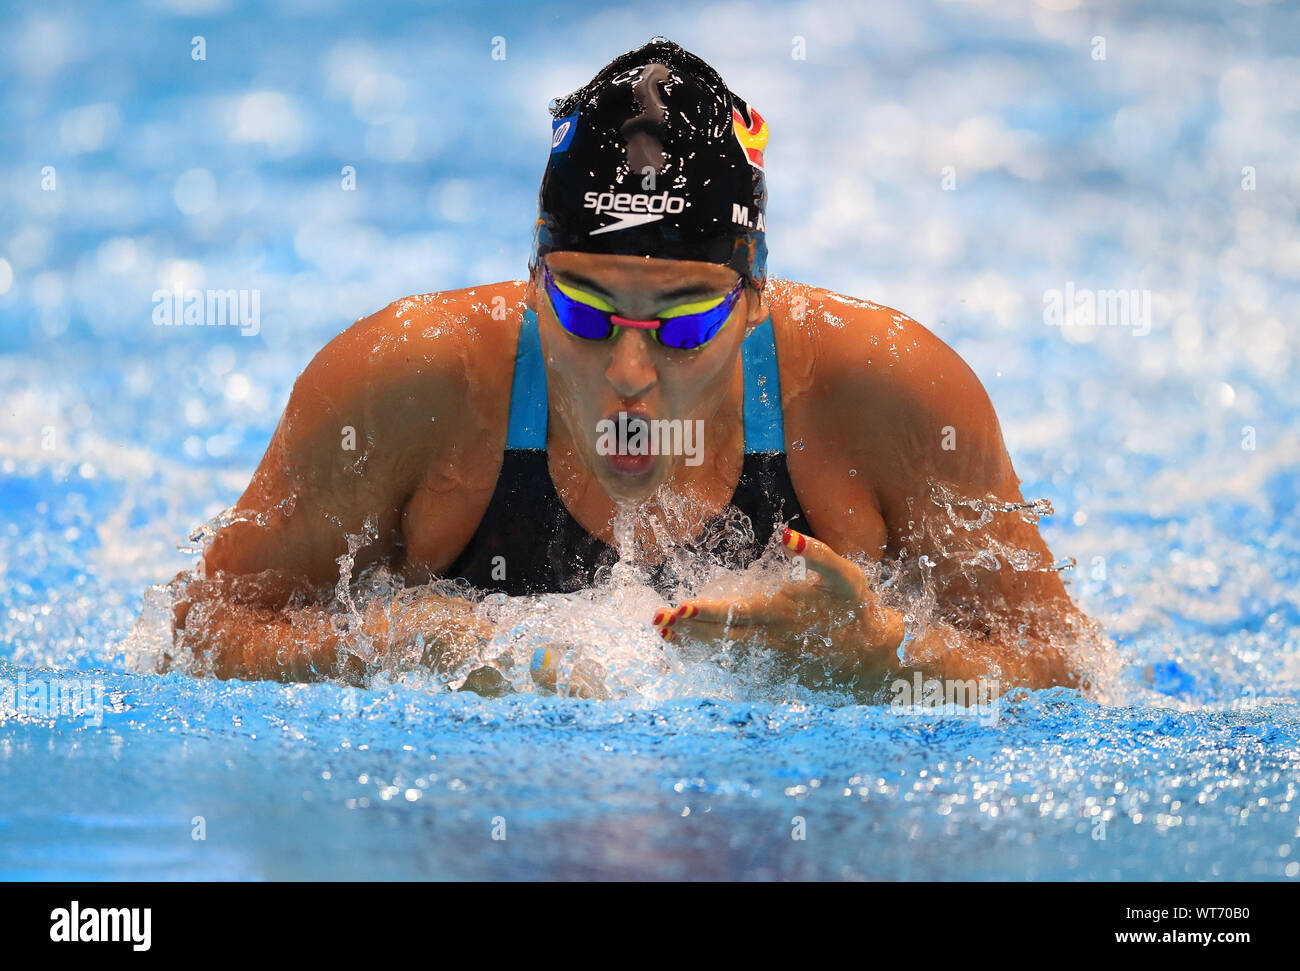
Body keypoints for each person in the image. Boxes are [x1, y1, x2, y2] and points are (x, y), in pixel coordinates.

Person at [164, 39, 1090, 692]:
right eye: (583, 311)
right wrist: (402, 645)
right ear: (533, 281)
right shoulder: (403, 385)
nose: (632, 373)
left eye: (684, 324)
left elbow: (1070, 672)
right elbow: (200, 637)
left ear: (755, 297)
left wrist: (888, 659)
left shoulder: (890, 394)